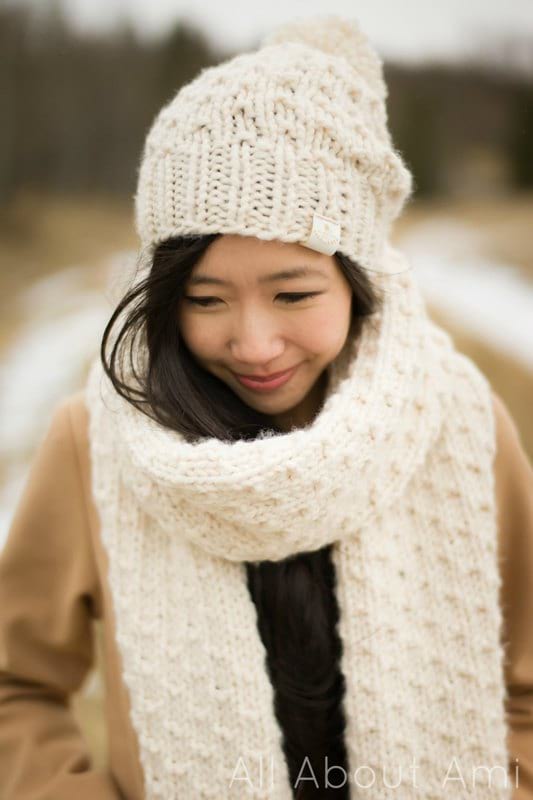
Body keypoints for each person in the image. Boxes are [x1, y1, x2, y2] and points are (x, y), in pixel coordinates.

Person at [1, 13, 532, 800]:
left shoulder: (457, 427)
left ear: (357, 281)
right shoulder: (95, 443)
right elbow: (18, 685)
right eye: (205, 299)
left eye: (293, 293)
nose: (253, 343)